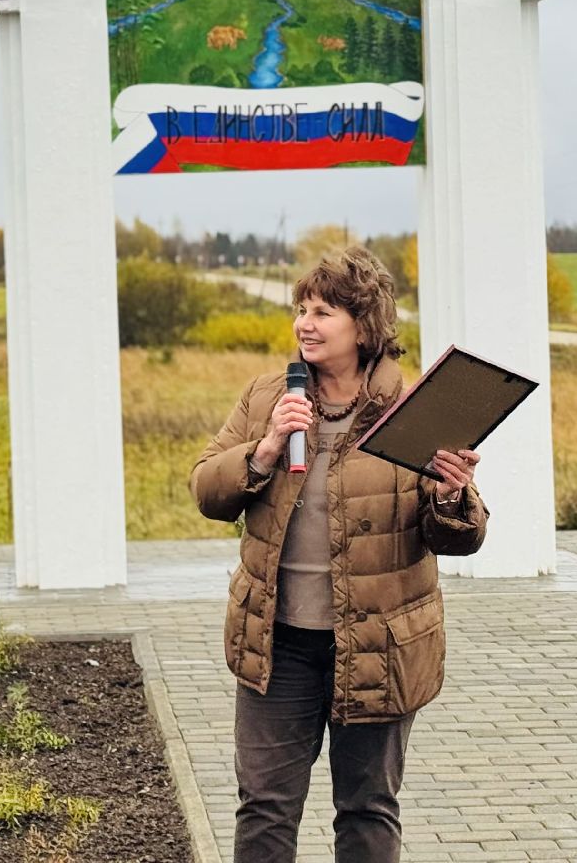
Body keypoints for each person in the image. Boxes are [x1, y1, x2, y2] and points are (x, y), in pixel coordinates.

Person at [191, 245, 487, 863]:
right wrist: (266, 448)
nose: (305, 322)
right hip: (278, 646)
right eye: (302, 308)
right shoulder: (267, 396)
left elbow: (459, 537)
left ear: (364, 324)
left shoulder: (414, 410)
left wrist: (452, 494)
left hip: (379, 645)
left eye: (323, 310)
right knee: (265, 808)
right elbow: (206, 491)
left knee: (368, 810)